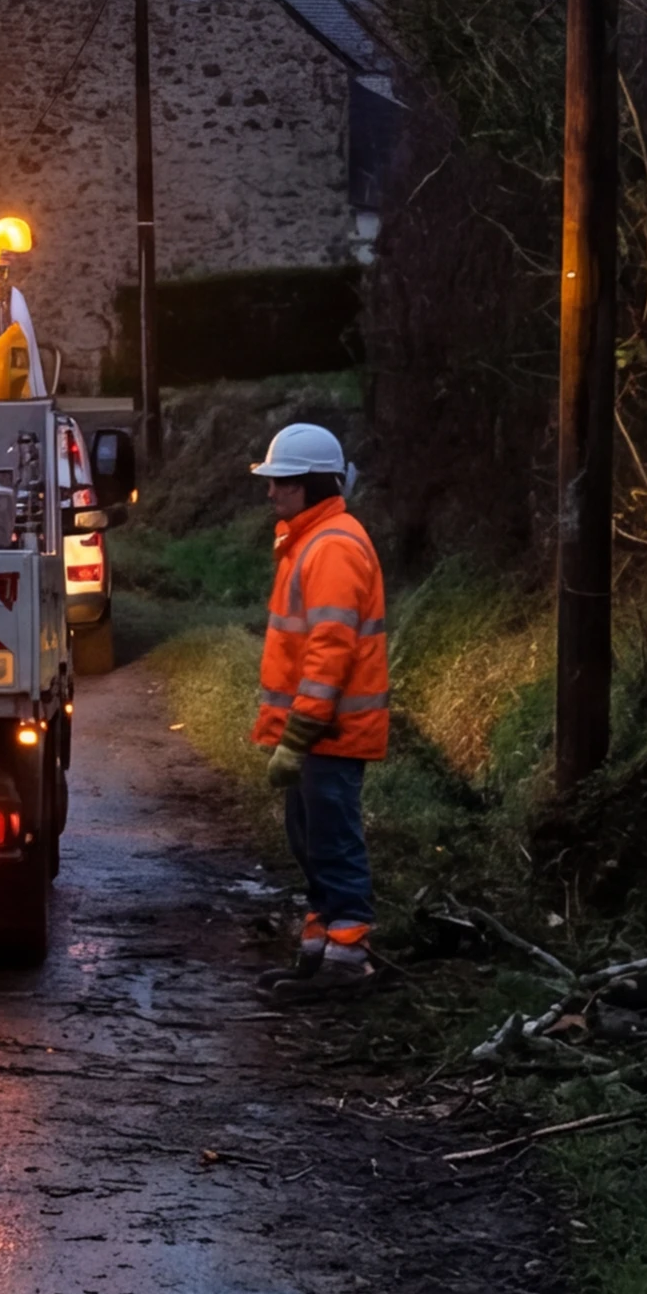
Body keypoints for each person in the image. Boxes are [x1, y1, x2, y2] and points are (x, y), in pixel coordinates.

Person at [248, 422, 390, 991]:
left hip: (329, 733)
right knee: (312, 841)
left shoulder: (331, 546)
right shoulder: (313, 540)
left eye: (281, 482)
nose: (271, 493)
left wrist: (299, 733)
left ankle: (347, 956)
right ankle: (322, 945)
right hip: (318, 734)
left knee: (331, 840)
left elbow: (329, 652)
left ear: (309, 486)